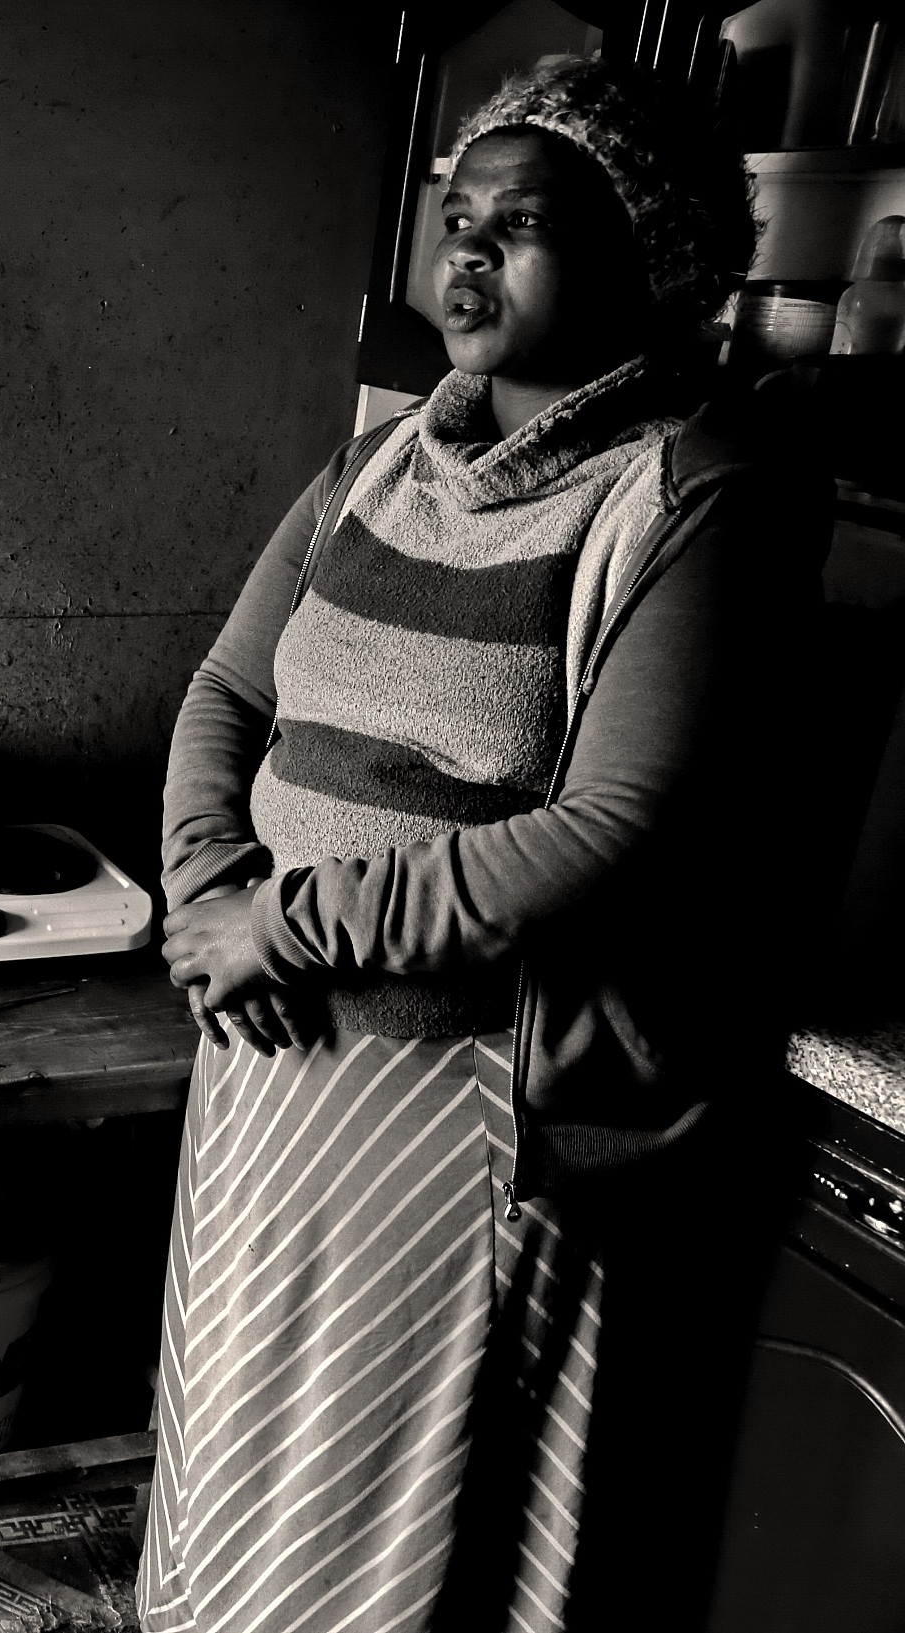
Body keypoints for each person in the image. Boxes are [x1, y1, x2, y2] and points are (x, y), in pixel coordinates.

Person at [142, 59, 818, 1633]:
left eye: (522, 225)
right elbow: (229, 689)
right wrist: (205, 896)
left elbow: (615, 826)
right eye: (458, 219)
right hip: (268, 1076)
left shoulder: (689, 494)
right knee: (240, 1480)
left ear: (649, 254)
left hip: (462, 1121)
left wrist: (290, 926)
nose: (469, 254)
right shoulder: (381, 461)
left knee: (388, 1539)